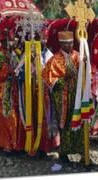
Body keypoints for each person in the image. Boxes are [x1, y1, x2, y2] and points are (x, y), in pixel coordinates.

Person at [42, 31, 83, 163]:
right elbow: (48, 78)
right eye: (66, 44)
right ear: (61, 44)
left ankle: (81, 149)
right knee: (65, 125)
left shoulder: (78, 56)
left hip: (77, 96)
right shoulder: (54, 59)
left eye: (71, 43)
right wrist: (63, 79)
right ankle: (64, 153)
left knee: (79, 122)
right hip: (63, 97)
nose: (69, 46)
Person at [0, 30, 22, 153]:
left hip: (13, 92)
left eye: (11, 41)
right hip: (1, 93)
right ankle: (7, 145)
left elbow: (18, 69)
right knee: (6, 119)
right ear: (1, 43)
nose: (9, 44)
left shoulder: (14, 55)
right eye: (6, 42)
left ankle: (15, 144)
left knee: (14, 118)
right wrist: (8, 71)